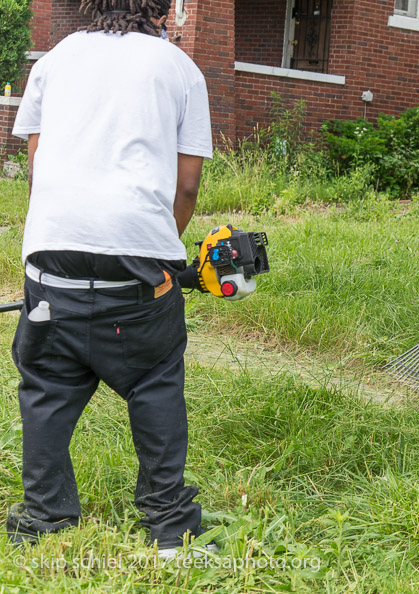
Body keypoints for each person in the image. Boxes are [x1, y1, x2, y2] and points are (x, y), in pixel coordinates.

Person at [6, 0, 213, 555]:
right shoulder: (180, 69)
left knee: (47, 390)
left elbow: (38, 163)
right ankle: (170, 526)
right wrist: (156, 251)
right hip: (138, 285)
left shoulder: (54, 58)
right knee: (154, 384)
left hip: (52, 267)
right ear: (162, 7)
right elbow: (187, 186)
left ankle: (46, 518)